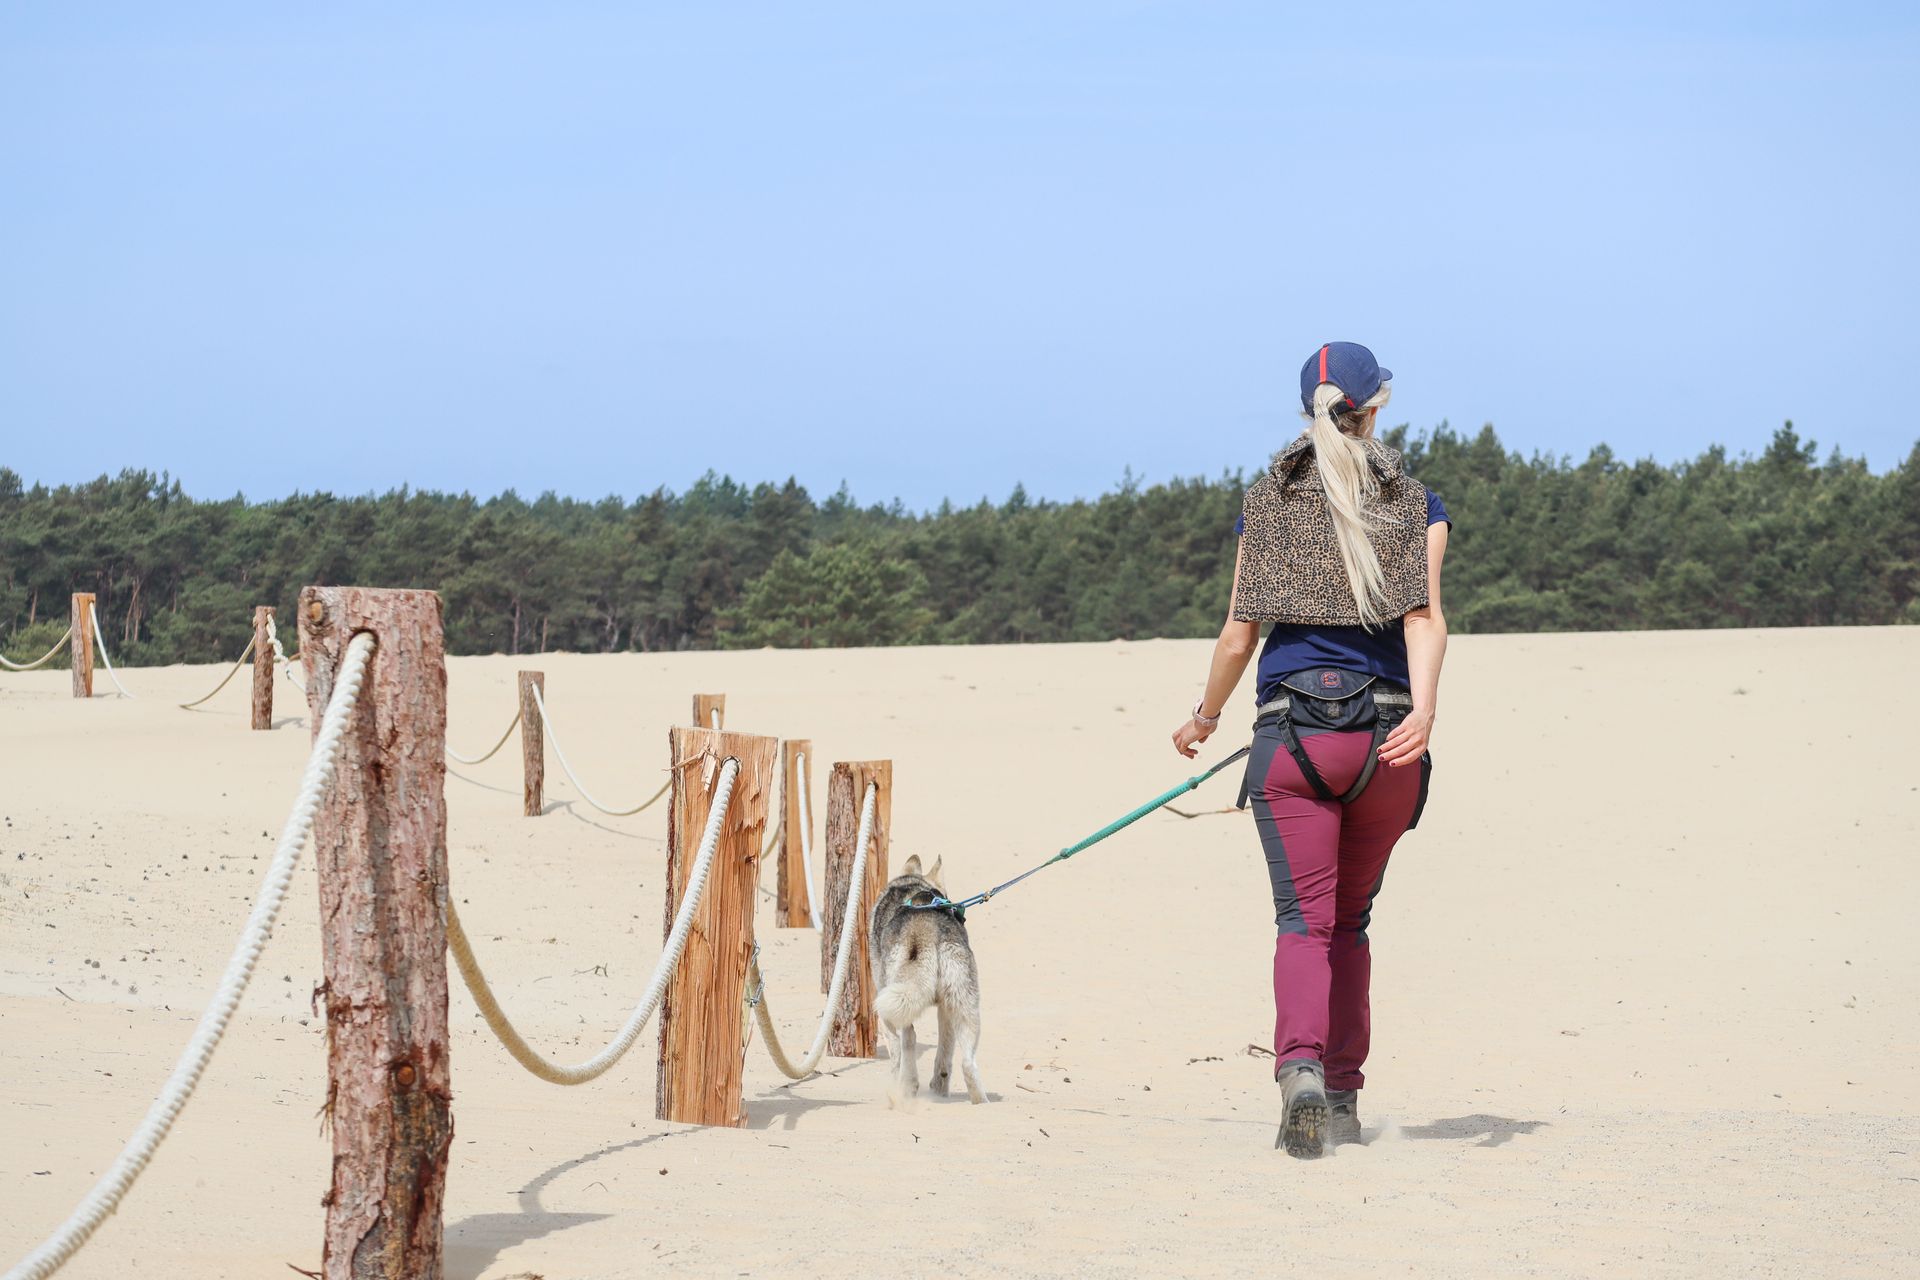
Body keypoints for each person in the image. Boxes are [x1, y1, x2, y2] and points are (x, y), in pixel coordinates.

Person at [1172, 342, 1449, 1159]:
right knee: (1351, 926)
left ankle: (1298, 1072)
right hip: (1389, 740)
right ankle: (1343, 1098)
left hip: (1293, 738)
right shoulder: (1412, 500)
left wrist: (1204, 717)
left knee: (1304, 922)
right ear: (1374, 410)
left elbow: (1237, 634)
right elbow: (1425, 619)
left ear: (1310, 412)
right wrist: (1425, 711)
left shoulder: (1268, 501)